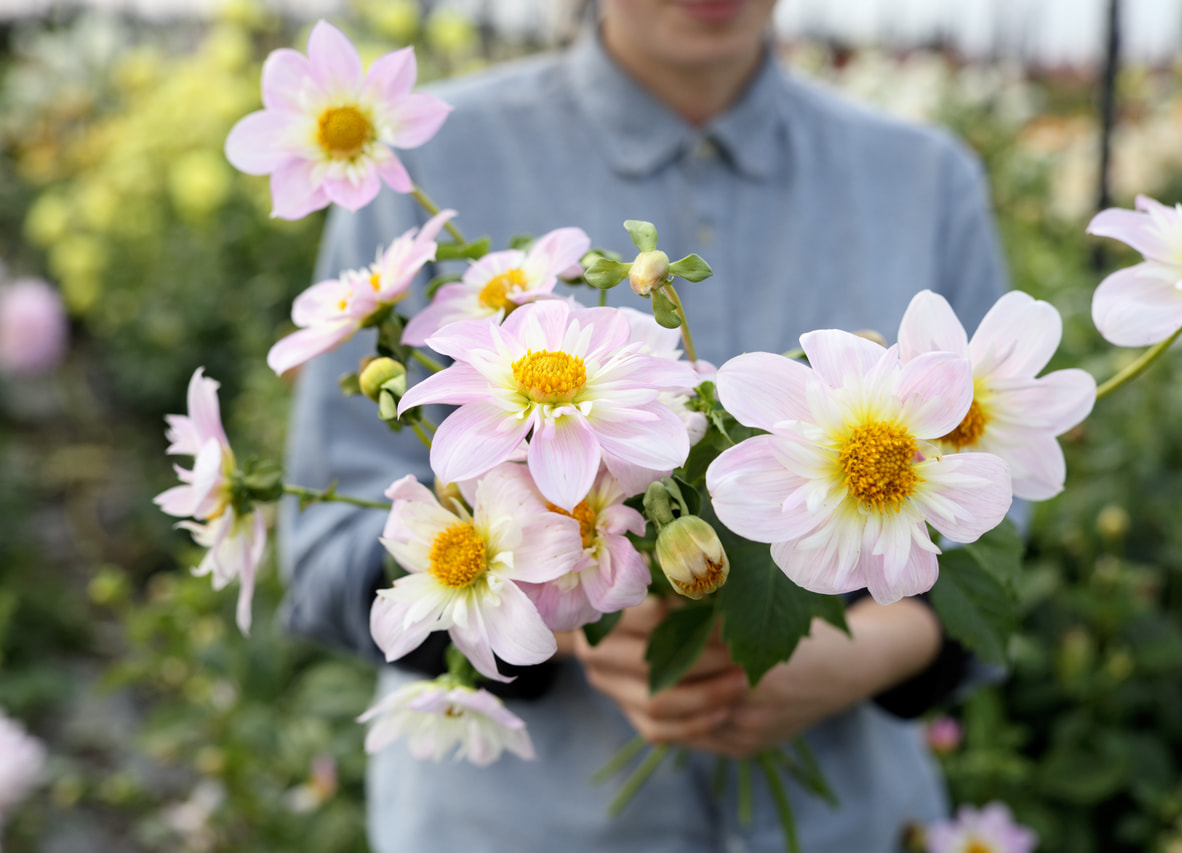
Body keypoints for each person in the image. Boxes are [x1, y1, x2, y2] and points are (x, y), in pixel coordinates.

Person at [278, 1, 1009, 850]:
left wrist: (874, 650)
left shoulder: (925, 180)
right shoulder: (418, 168)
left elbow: (998, 512)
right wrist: (560, 612)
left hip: (845, 820)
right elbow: (328, 553)